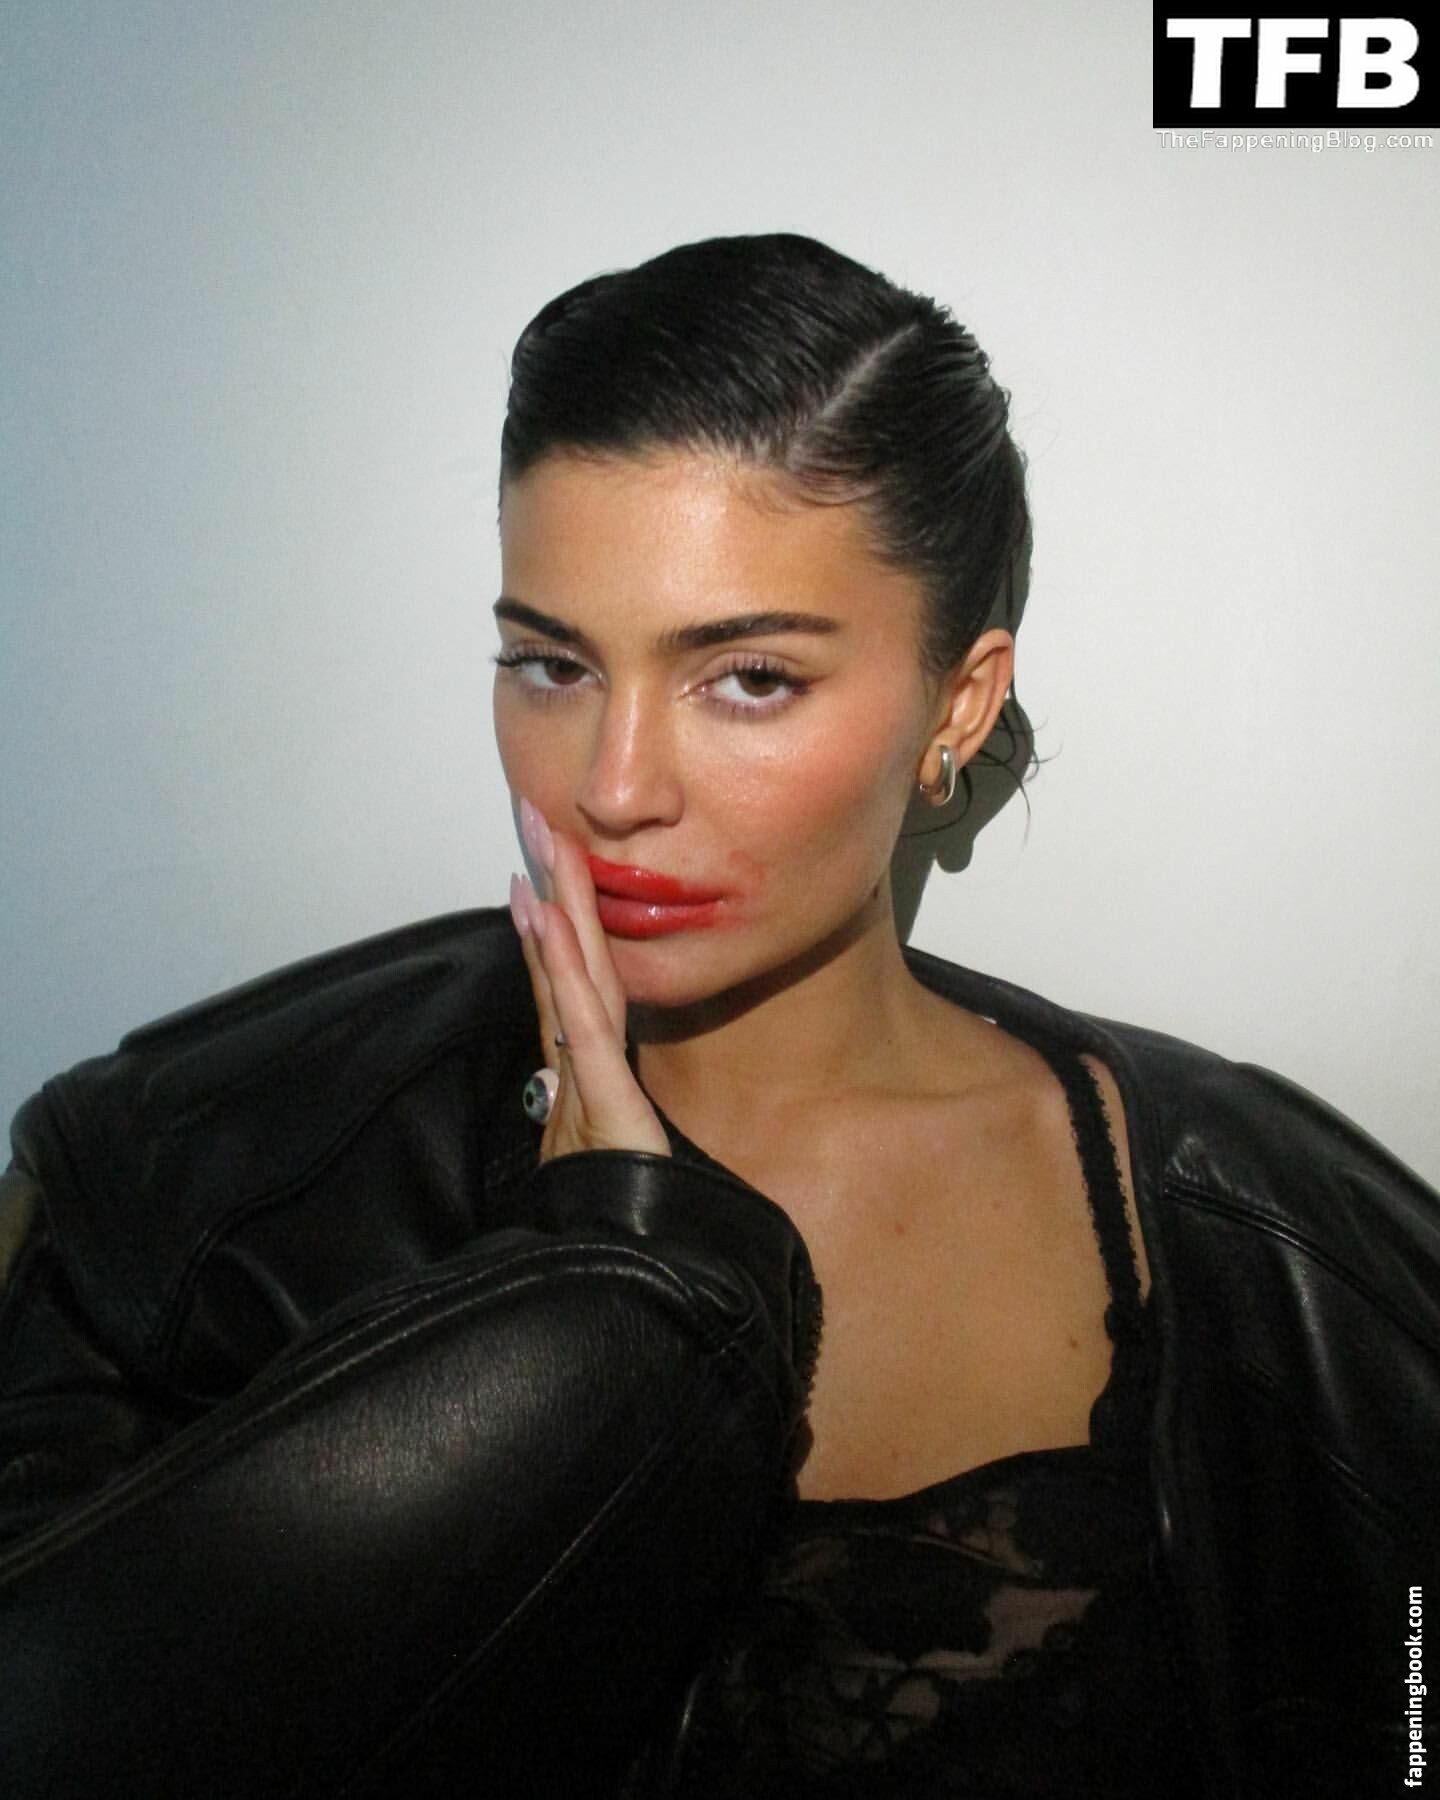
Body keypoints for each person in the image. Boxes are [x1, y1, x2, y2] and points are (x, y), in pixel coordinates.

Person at [0, 233, 1435, 1798]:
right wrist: (596, 1319)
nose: (614, 787)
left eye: (748, 679)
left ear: (958, 704)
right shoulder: (197, 1188)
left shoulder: (1259, 1232)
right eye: (550, 663)